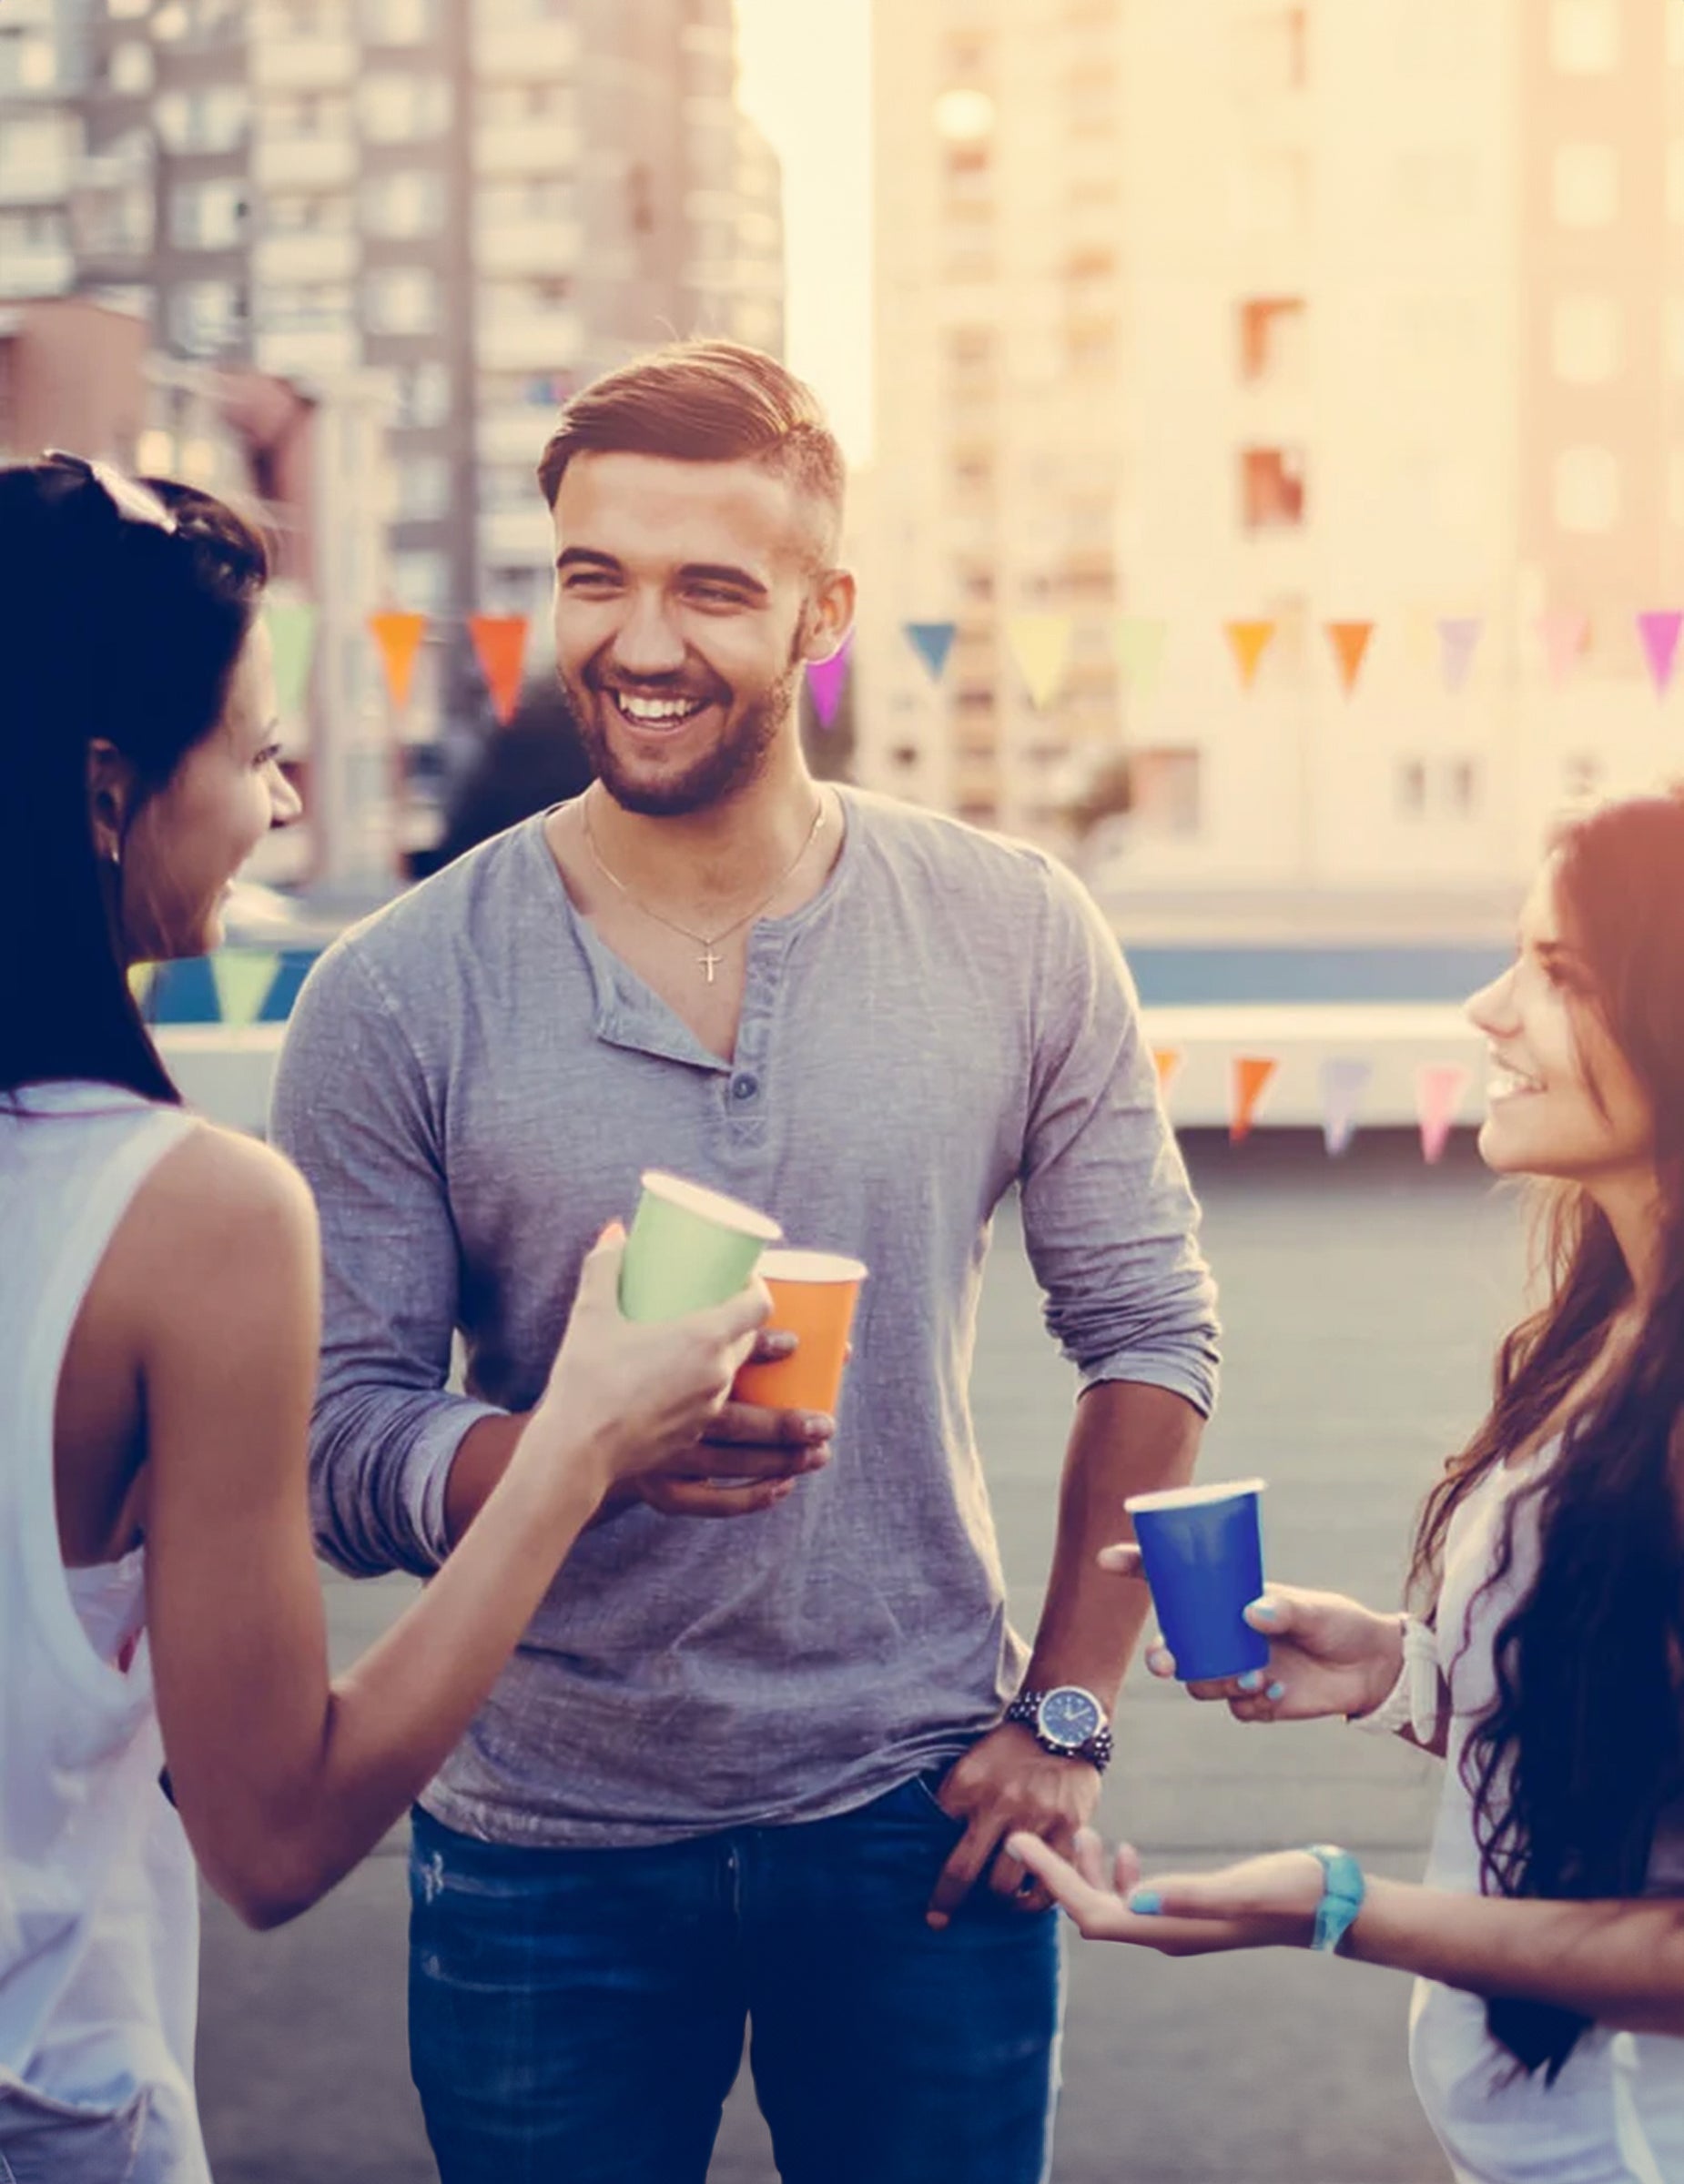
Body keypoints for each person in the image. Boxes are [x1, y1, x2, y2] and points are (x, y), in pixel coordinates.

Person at [269, 338, 1221, 2184]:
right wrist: (560, 1453)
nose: (639, 641)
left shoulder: (1014, 931)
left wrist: (1070, 1714)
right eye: (592, 575)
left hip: (923, 1825)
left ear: (823, 611)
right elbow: (335, 1440)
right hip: (538, 1842)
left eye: (711, 586)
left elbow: (1150, 1330)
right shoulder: (396, 988)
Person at [0, 453, 772, 2184]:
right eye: (260, 751)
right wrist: (578, 1444)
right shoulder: (182, 1217)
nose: (283, 808)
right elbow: (274, 1832)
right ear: (110, 787)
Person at [1010, 786, 1684, 2184]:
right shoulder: (1611, 1334)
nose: (1486, 1011)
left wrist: (1335, 1904)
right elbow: (1626, 1743)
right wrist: (1400, 1673)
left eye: (1555, 972)